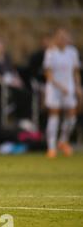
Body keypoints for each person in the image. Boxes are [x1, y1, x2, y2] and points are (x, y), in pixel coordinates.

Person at [44, 28, 82, 158]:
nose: (62, 40)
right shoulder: (51, 52)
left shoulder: (72, 52)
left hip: (69, 87)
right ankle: (51, 147)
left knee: (72, 116)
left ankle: (63, 141)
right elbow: (48, 74)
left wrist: (78, 87)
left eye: (65, 37)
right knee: (54, 115)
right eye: (60, 37)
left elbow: (76, 71)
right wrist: (59, 86)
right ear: (56, 38)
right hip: (55, 88)